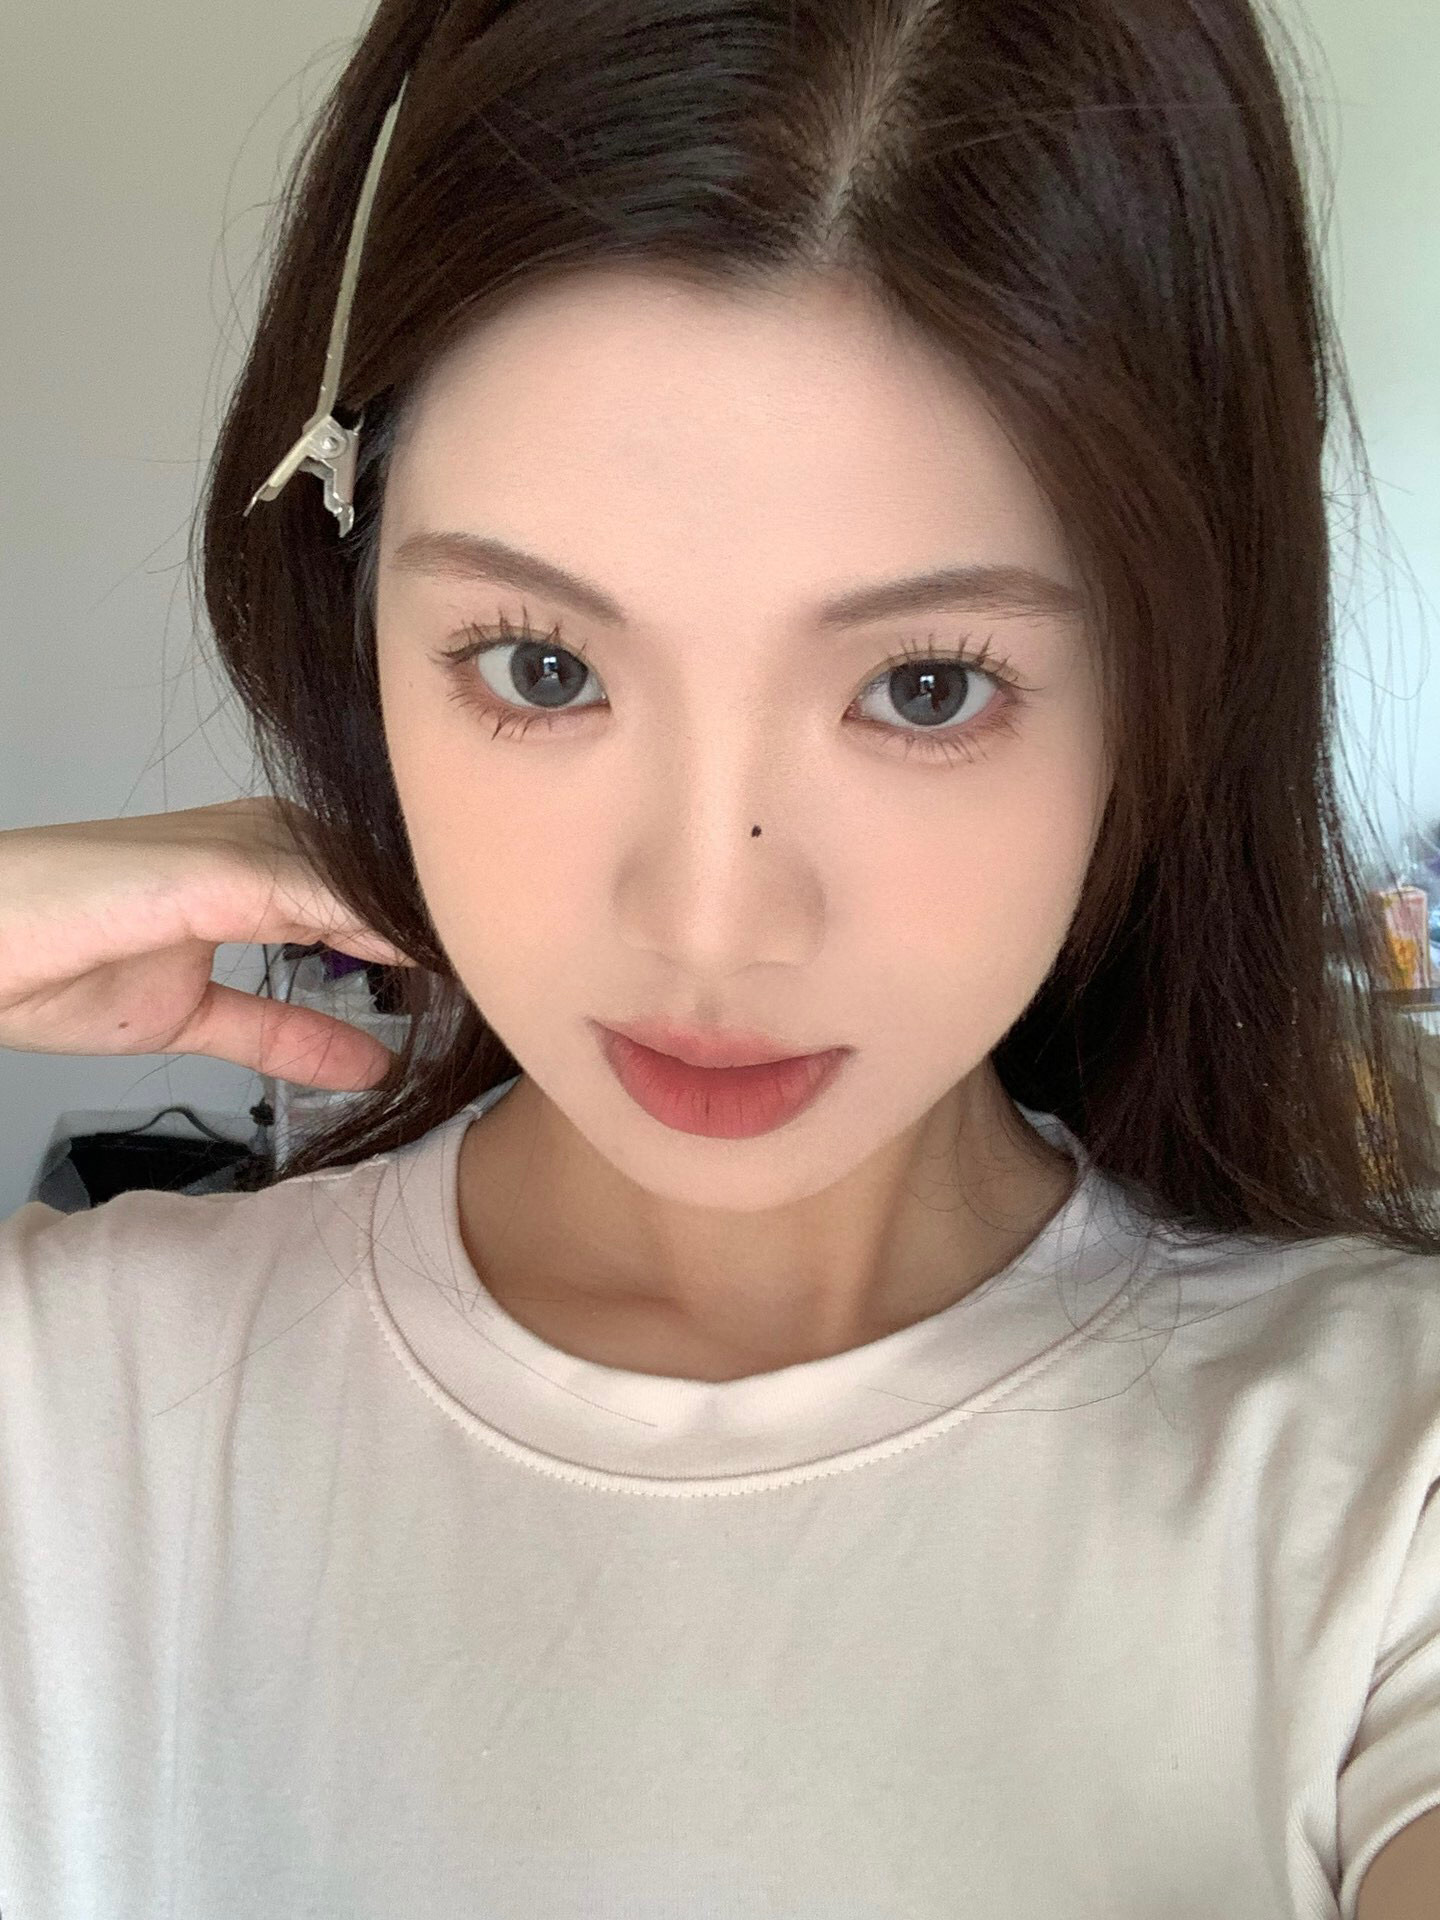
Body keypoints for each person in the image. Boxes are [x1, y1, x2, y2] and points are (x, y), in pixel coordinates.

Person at [1, 0, 1439, 1912]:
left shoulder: (1385, 1502)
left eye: (926, 689)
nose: (708, 920)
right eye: (542, 667)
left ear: (1167, 685)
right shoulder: (66, 1410)